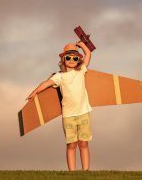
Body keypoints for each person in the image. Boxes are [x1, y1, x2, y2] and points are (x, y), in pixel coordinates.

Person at [26, 41, 92, 171]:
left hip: (83, 113)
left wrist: (81, 44)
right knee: (71, 145)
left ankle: (86, 171)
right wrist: (34, 92)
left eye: (75, 57)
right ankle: (72, 172)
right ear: (63, 60)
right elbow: (46, 83)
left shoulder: (81, 71)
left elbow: (88, 54)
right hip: (68, 116)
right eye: (68, 57)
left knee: (84, 144)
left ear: (79, 60)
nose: (72, 60)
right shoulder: (59, 77)